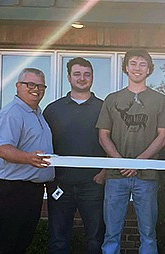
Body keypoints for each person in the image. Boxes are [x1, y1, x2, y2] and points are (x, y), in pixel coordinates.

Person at [97, 48, 165, 253]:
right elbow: (103, 136)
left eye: (142, 64)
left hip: (146, 175)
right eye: (133, 63)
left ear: (149, 70)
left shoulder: (160, 100)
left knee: (148, 233)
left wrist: (137, 162)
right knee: (111, 233)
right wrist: (122, 162)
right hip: (115, 175)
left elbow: (163, 136)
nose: (137, 68)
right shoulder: (112, 99)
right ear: (126, 68)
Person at [44, 58, 106, 254]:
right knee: (58, 239)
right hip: (61, 184)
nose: (82, 78)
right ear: (69, 77)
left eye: (87, 74)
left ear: (93, 78)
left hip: (94, 184)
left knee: (95, 240)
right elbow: (44, 145)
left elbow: (113, 143)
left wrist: (105, 172)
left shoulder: (104, 108)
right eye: (77, 74)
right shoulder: (53, 109)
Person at [0, 68, 54, 253]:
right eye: (30, 84)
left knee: (20, 242)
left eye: (41, 86)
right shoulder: (12, 113)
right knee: (6, 243)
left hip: (30, 190)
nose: (36, 89)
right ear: (18, 86)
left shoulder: (36, 113)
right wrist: (28, 158)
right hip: (12, 190)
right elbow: (1, 148)